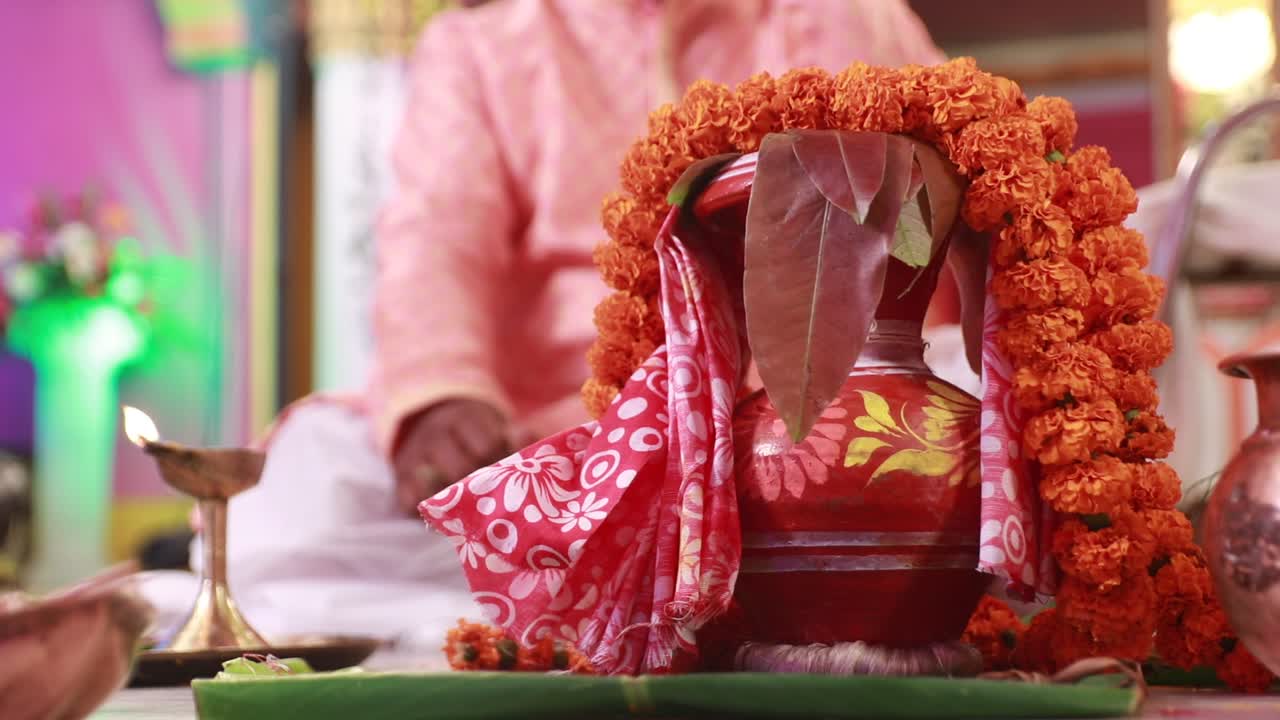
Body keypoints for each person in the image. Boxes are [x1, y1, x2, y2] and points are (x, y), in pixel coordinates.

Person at [154, 0, 951, 648]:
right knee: (304, 483)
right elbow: (434, 241)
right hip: (560, 445)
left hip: (813, 430)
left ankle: (580, 601)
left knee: (982, 390)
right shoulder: (485, 46)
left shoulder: (860, 22)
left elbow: (946, 238)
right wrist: (444, 399)